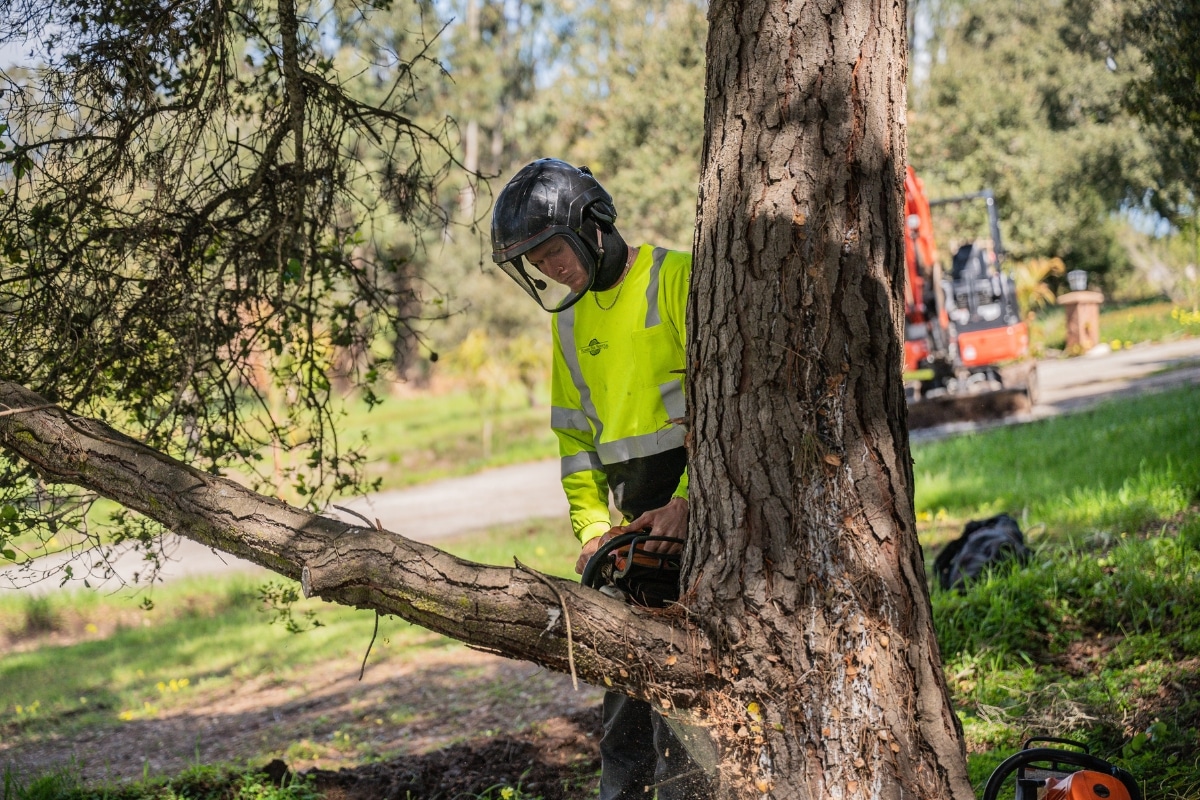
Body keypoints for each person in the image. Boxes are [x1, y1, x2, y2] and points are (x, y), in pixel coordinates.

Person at [491, 158, 709, 800]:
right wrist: (592, 530)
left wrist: (689, 502)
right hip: (629, 535)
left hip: (696, 520)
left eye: (554, 250)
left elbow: (724, 412)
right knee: (623, 701)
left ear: (595, 222)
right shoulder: (566, 322)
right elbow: (575, 438)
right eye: (537, 262)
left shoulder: (677, 278)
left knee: (688, 698)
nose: (551, 269)